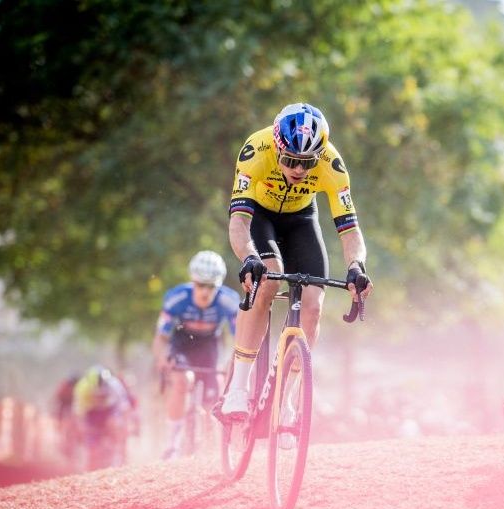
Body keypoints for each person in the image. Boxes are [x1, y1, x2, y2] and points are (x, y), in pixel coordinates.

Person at [221, 103, 374, 420]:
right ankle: (238, 387)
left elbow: (349, 229)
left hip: (301, 219)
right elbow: (238, 223)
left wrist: (356, 266)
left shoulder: (333, 165)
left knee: (314, 304)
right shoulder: (256, 149)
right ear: (277, 147)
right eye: (290, 159)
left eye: (307, 162)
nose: (299, 170)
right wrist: (249, 256)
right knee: (269, 281)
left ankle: (286, 401)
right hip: (260, 217)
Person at [152, 250, 239, 459]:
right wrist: (161, 358)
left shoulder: (229, 300)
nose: (205, 291)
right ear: (193, 281)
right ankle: (172, 443)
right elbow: (161, 337)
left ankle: (212, 446)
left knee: (214, 395)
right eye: (200, 284)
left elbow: (240, 339)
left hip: (210, 345)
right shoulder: (176, 298)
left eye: (211, 286)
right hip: (182, 344)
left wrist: (232, 361)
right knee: (182, 381)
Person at [72, 365, 135, 469]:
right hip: (91, 411)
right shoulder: (81, 389)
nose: (99, 397)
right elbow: (78, 413)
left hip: (110, 410)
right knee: (90, 436)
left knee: (116, 424)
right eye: (96, 394)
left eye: (102, 394)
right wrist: (81, 429)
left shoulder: (114, 385)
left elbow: (123, 407)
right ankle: (91, 460)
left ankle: (120, 455)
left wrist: (124, 428)